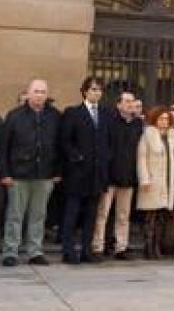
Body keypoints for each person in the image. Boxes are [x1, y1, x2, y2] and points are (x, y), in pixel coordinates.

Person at [0, 78, 58, 267]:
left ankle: (35, 251)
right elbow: (3, 147)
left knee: (38, 215)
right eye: (36, 91)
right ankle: (10, 251)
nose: (39, 95)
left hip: (44, 174)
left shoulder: (55, 116)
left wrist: (58, 171)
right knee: (15, 215)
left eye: (43, 92)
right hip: (18, 174)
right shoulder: (14, 116)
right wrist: (4, 173)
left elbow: (60, 145)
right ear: (28, 93)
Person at [56, 77, 108, 264]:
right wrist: (77, 157)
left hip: (97, 174)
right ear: (85, 91)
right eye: (93, 89)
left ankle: (87, 250)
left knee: (91, 215)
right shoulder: (73, 113)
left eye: (99, 89)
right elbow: (65, 141)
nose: (96, 93)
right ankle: (68, 251)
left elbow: (107, 141)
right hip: (77, 174)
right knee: (72, 213)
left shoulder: (105, 114)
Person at [96, 91, 143, 259]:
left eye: (132, 101)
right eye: (127, 101)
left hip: (128, 176)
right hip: (110, 176)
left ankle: (121, 247)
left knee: (123, 215)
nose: (130, 104)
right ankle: (98, 246)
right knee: (102, 214)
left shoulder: (138, 124)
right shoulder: (110, 122)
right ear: (119, 104)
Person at [136, 105, 174, 258]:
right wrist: (144, 178)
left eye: (166, 119)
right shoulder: (148, 135)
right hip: (152, 181)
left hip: (168, 181)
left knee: (162, 217)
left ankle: (157, 246)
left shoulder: (173, 136)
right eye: (161, 119)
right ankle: (149, 248)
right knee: (151, 217)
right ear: (154, 120)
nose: (164, 122)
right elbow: (141, 158)